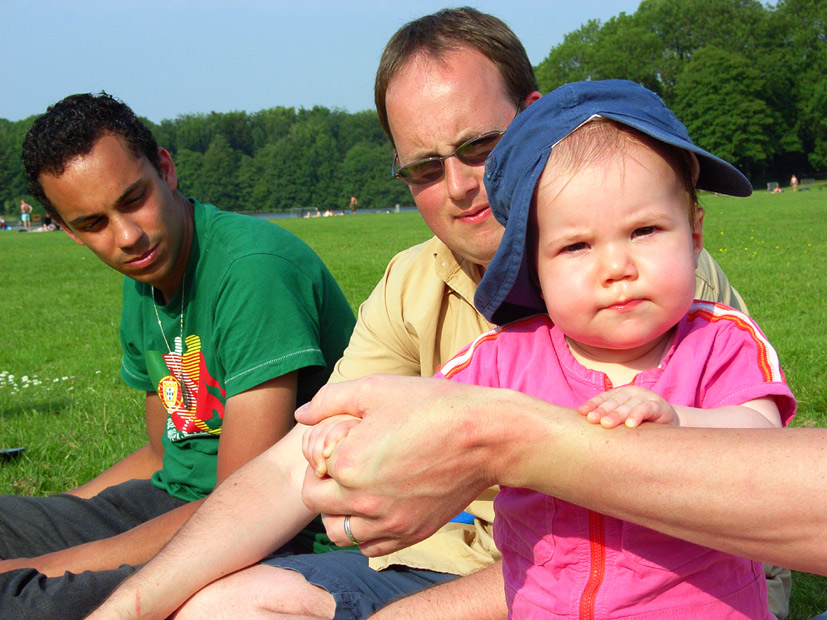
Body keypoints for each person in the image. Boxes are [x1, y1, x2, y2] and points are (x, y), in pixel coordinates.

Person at [86, 9, 756, 620]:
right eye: (425, 170)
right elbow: (299, 463)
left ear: (533, 120)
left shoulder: (647, 280)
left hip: (658, 583)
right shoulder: (414, 281)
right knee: (222, 608)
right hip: (433, 564)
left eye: (479, 147)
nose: (461, 186)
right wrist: (138, 601)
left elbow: (725, 489)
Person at [305, 80, 796, 619]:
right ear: (532, 265)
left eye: (646, 230)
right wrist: (347, 432)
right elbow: (423, 414)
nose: (617, 268)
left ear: (695, 232)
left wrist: (683, 422)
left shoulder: (719, 340)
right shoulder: (505, 357)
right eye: (577, 246)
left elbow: (764, 442)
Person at [1, 92, 355, 620]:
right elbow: (162, 452)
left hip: (274, 533)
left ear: (165, 169)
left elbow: (241, 506)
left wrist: (51, 563)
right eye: (93, 223)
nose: (128, 237)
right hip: (172, 506)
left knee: (21, 600)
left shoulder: (252, 269)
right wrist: (70, 509)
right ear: (68, 229)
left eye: (133, 198)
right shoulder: (144, 275)